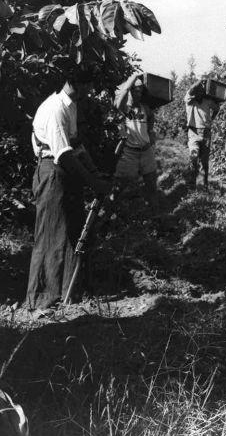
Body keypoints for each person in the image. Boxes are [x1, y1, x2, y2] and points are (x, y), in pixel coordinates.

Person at [26, 75, 112, 314]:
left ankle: (67, 294)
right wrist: (93, 181)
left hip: (65, 171)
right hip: (52, 170)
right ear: (75, 82)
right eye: (88, 83)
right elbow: (63, 154)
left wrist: (95, 173)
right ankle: (41, 301)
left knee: (70, 232)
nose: (91, 89)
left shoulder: (70, 106)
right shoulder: (55, 109)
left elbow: (76, 145)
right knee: (50, 233)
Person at [113, 71, 159, 213]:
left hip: (146, 151)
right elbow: (119, 100)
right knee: (120, 186)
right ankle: (111, 214)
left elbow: (151, 118)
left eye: (140, 92)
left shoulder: (145, 108)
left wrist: (150, 133)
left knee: (151, 183)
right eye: (135, 91)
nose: (138, 94)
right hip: (129, 153)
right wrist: (132, 79)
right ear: (130, 92)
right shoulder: (125, 109)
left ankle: (156, 214)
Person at [184, 80, 220, 187]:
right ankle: (191, 185)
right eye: (198, 90)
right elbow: (191, 89)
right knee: (193, 157)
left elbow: (217, 108)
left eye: (202, 90)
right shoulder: (189, 99)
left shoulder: (207, 101)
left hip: (206, 132)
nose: (200, 92)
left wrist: (212, 118)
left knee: (204, 161)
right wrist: (200, 81)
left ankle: (204, 185)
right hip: (193, 132)